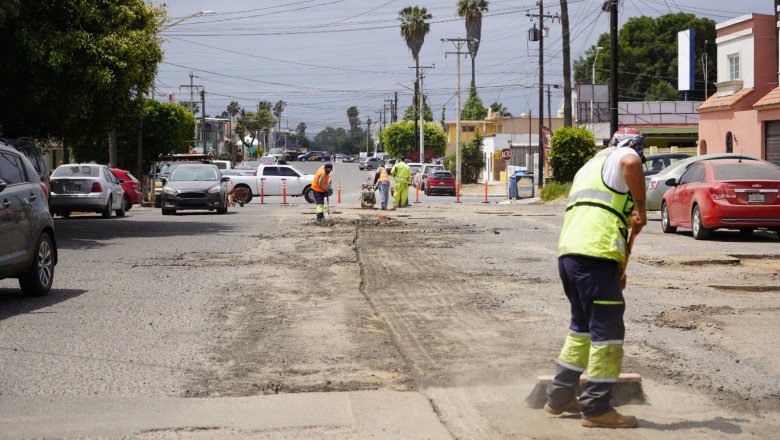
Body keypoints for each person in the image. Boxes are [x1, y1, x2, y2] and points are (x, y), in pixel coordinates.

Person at [544, 135, 648, 429]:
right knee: (608, 332)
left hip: (570, 257)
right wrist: (642, 208)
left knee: (582, 329)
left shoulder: (589, 167)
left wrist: (618, 268)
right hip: (595, 257)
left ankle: (559, 396)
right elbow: (631, 162)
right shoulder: (625, 156)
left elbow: (601, 214)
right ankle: (597, 408)